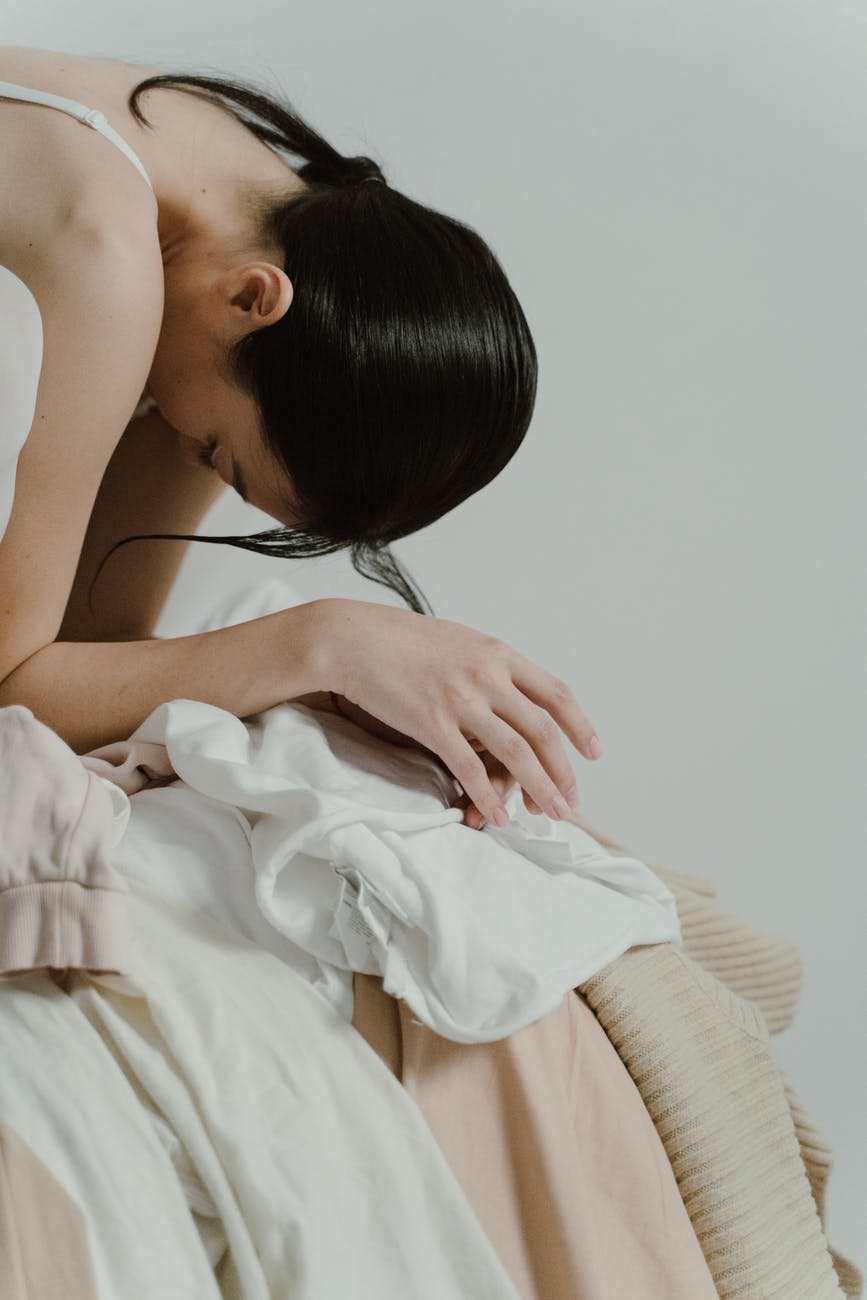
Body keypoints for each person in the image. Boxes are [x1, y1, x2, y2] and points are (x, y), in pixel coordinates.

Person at [0, 44, 603, 833]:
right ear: (255, 298)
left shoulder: (235, 210)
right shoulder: (107, 259)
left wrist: (328, 689)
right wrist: (324, 642)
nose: (188, 449)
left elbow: (92, 639)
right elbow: (12, 689)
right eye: (217, 452)